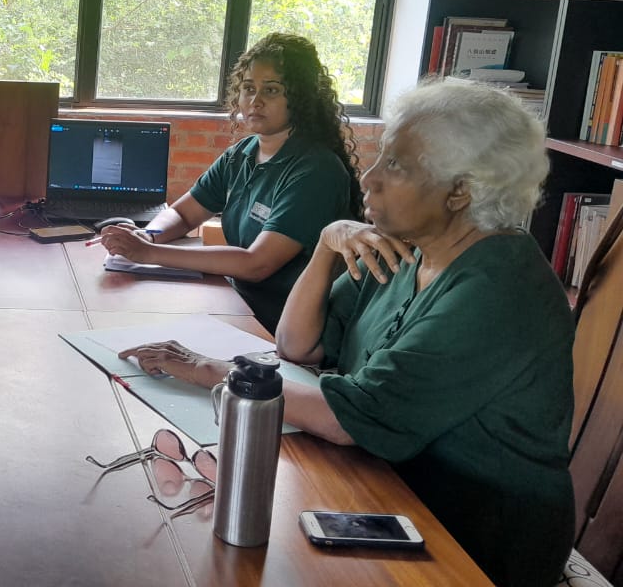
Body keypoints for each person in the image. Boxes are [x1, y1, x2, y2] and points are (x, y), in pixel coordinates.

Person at [121, 81, 573, 587]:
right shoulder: (408, 250)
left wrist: (207, 369)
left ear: (460, 190)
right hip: (387, 490)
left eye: (396, 165)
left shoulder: (496, 287)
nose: (369, 177)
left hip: (471, 539)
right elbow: (299, 346)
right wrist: (324, 246)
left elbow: (350, 418)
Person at [99, 33, 362, 334]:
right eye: (248, 88)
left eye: (272, 90)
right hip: (235, 302)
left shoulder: (316, 171)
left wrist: (148, 253)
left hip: (282, 329)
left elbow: (256, 264)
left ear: (301, 98)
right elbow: (184, 213)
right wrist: (149, 235)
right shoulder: (242, 154)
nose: (255, 101)